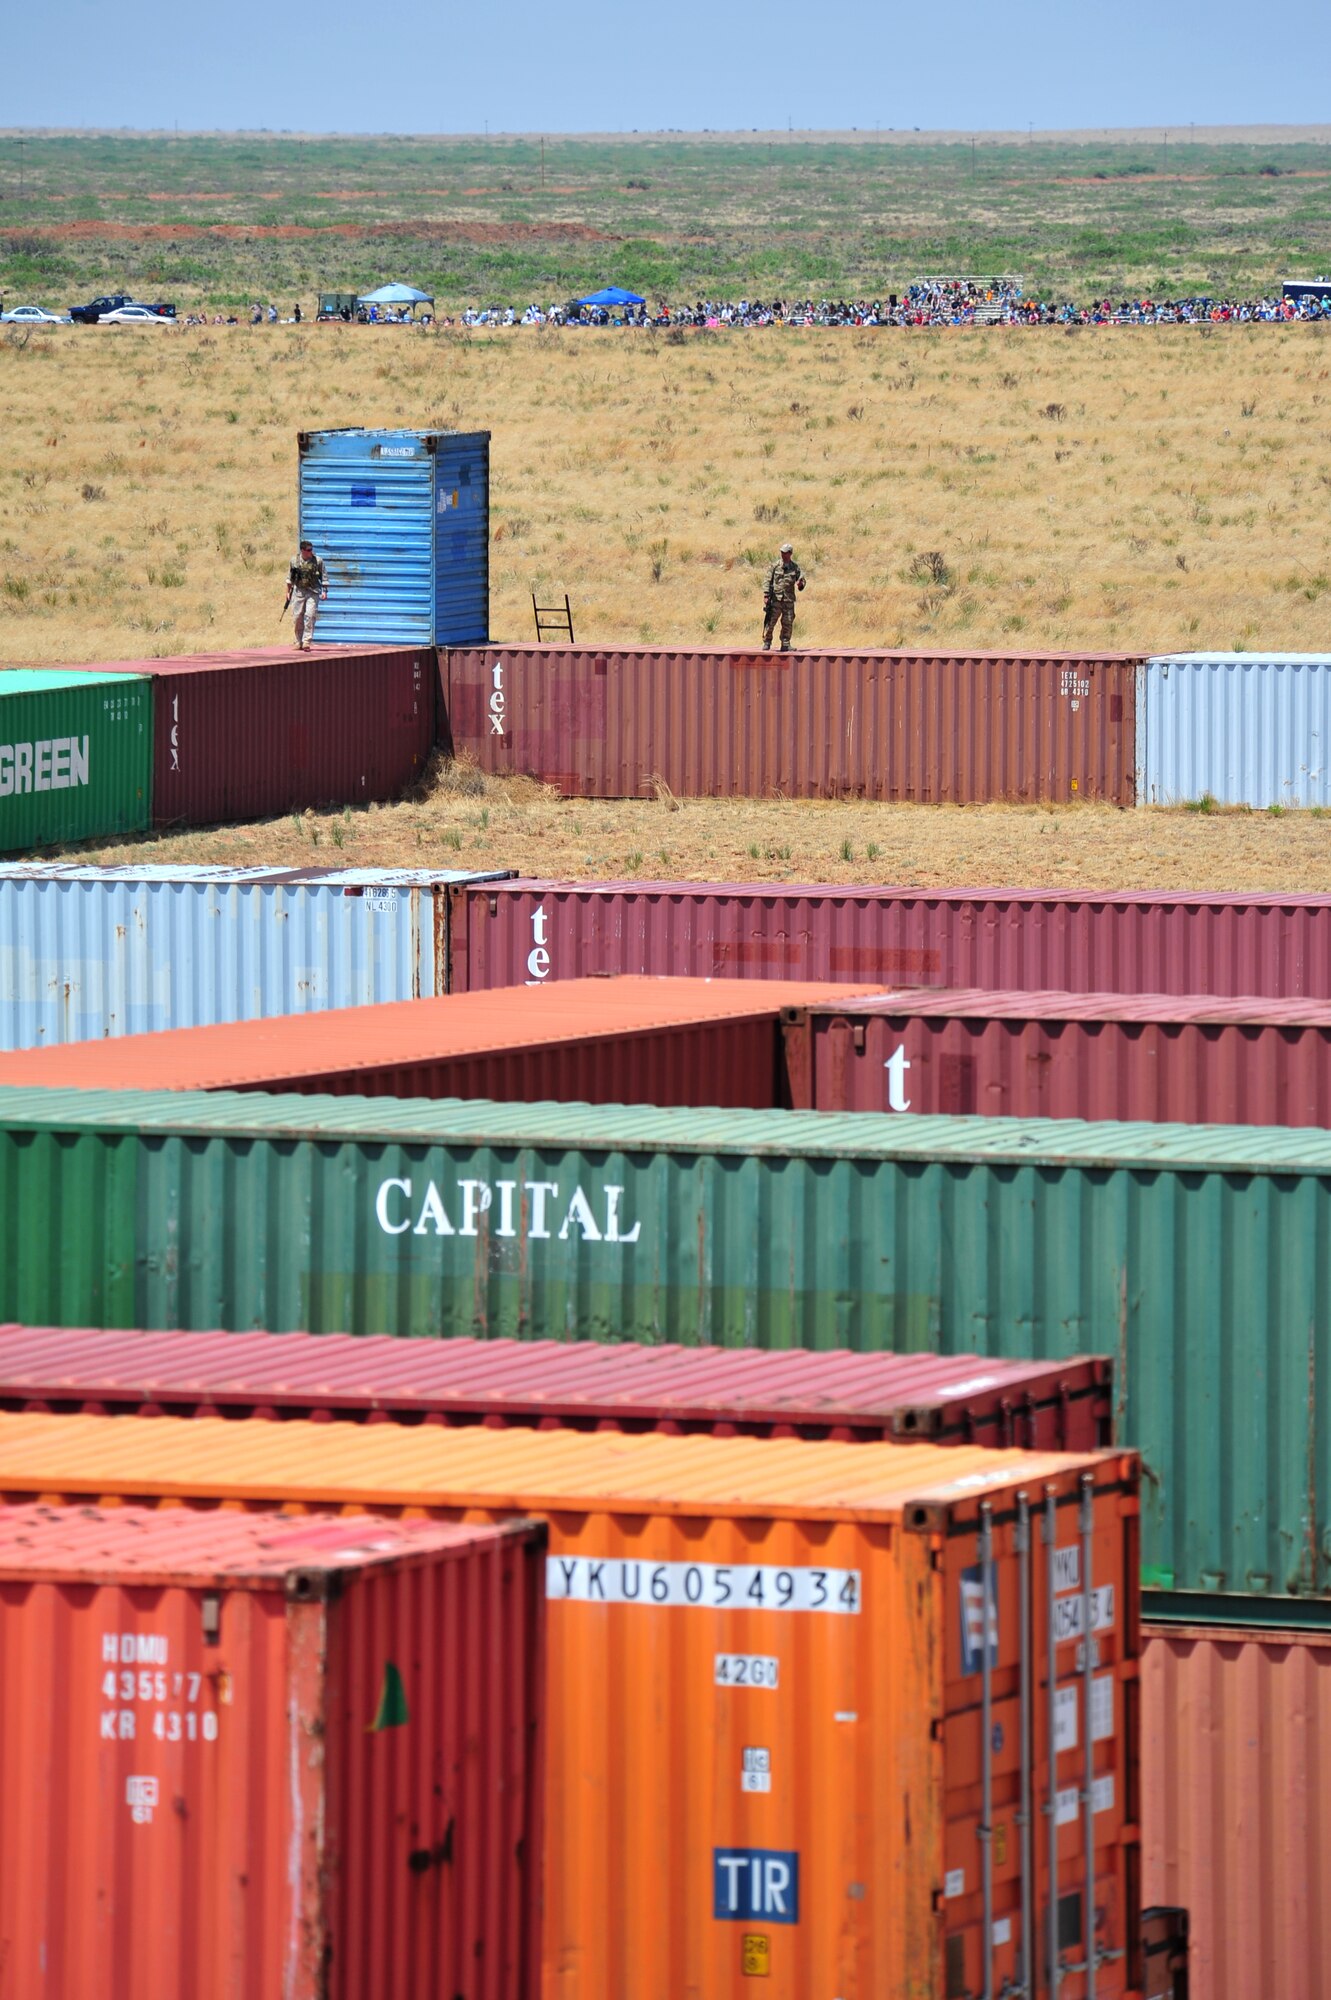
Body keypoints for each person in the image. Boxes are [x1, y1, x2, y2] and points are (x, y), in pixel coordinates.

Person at [762, 541, 806, 651]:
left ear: (790, 553)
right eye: (782, 552)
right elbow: (767, 580)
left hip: (788, 600)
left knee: (788, 621)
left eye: (785, 552)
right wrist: (766, 595)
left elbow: (801, 581)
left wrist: (801, 584)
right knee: (771, 621)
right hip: (775, 599)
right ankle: (767, 641)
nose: (783, 554)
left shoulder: (795, 567)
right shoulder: (775, 566)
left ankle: (785, 643)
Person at [285, 539, 327, 650]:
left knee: (310, 615)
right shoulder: (295, 561)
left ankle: (307, 641)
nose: (311, 552)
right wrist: (288, 593)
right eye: (308, 550)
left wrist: (324, 591)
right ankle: (298, 641)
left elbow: (324, 577)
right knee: (297, 616)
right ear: (302, 550)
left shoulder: (318, 561)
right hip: (299, 592)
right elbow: (290, 579)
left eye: (311, 549)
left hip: (313, 592)